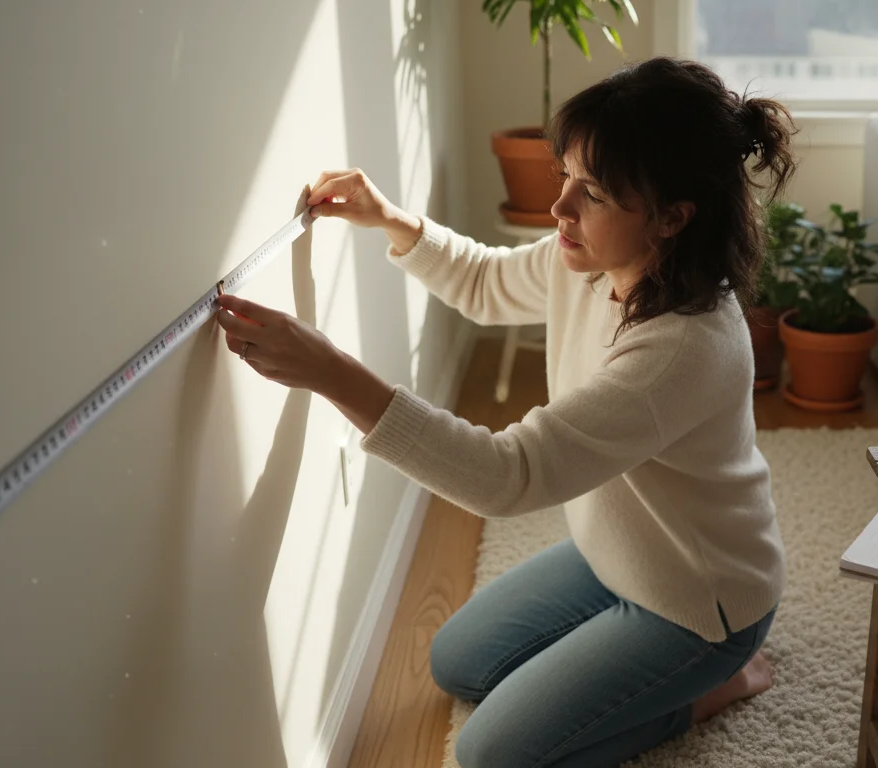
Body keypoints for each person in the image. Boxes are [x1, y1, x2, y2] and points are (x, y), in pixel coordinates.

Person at [214, 56, 796, 768]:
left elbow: (508, 476)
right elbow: (487, 282)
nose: (560, 210)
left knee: (492, 756)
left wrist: (330, 372)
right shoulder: (591, 259)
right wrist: (388, 217)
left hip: (697, 604)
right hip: (614, 557)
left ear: (672, 218)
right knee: (458, 662)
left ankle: (714, 686)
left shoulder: (682, 350)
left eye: (593, 193)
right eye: (565, 178)